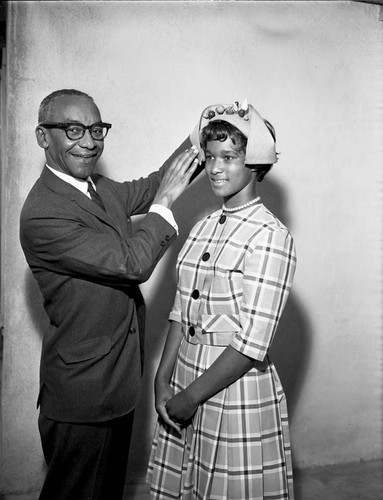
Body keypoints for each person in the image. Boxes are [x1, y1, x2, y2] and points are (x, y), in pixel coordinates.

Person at [19, 88, 200, 500]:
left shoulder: (100, 190)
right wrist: (166, 200)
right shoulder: (44, 213)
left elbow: (159, 183)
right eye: (73, 129)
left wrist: (200, 135)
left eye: (96, 129)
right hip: (83, 397)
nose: (89, 141)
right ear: (43, 137)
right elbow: (133, 263)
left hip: (117, 383)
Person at [147, 100, 297, 499]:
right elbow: (181, 310)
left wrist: (191, 397)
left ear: (256, 164)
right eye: (210, 157)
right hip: (183, 380)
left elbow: (252, 342)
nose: (215, 168)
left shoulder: (270, 235)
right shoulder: (200, 228)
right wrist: (163, 381)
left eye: (229, 157)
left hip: (232, 388)